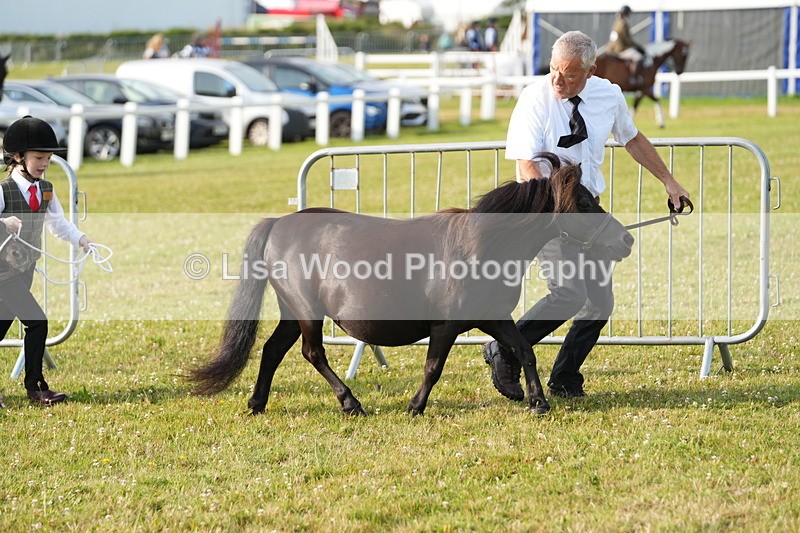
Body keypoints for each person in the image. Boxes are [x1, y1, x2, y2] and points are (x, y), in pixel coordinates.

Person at [483, 31, 690, 400]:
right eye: (553, 70)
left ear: (591, 70)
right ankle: (505, 347)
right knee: (568, 293)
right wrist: (557, 210)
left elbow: (633, 139)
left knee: (599, 303)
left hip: (588, 210)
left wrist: (670, 182)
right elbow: (527, 163)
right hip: (549, 210)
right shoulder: (534, 98)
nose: (558, 81)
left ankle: (564, 377)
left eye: (570, 74)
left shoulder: (608, 94)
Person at [0, 116, 93, 406]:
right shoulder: (3, 191)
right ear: (18, 157)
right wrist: (3, 223)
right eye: (39, 157)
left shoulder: (46, 189)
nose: (44, 164)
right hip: (2, 274)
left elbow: (58, 224)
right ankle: (37, 387)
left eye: (49, 159)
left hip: (24, 271)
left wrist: (80, 239)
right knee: (37, 322)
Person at [606, 5, 647, 85]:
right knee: (638, 57)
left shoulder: (617, 21)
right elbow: (627, 40)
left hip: (611, 48)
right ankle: (633, 78)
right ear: (627, 13)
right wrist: (637, 46)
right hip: (620, 49)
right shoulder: (623, 23)